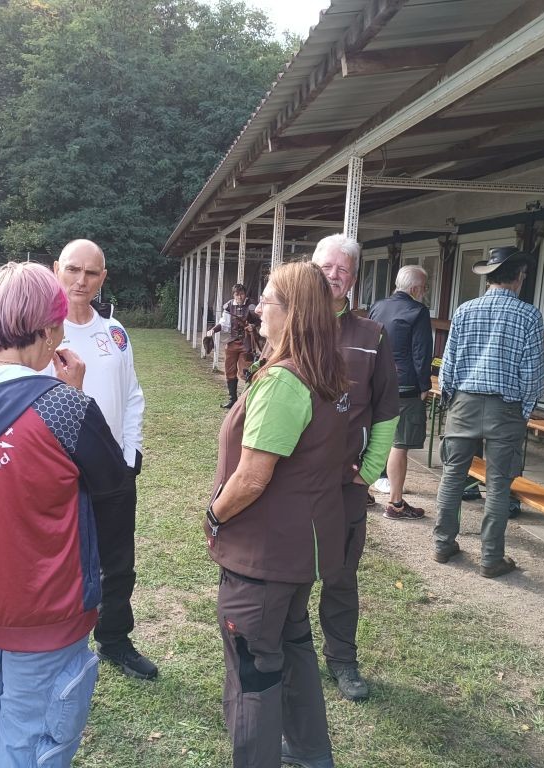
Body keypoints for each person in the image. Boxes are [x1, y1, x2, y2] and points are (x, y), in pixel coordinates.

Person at [0, 262, 128, 767]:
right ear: (50, 330)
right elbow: (113, 486)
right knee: (31, 743)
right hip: (44, 608)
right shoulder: (64, 408)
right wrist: (75, 396)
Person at [204, 260, 349, 768]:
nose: (257, 308)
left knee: (253, 666)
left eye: (266, 299)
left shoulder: (285, 382)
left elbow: (252, 477)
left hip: (263, 556)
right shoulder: (323, 371)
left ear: (292, 312)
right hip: (296, 551)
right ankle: (310, 751)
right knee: (293, 644)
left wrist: (214, 515)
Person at [52, 239, 158, 680]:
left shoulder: (114, 333)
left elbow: (132, 394)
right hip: (60, 473)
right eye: (72, 269)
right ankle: (61, 649)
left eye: (91, 272)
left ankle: (114, 639)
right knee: (64, 566)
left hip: (114, 469)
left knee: (118, 564)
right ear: (56, 269)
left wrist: (130, 452)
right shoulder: (42, 332)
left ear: (103, 278)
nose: (81, 280)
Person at [311, 233, 399, 702]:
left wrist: (369, 471)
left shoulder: (371, 335)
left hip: (345, 481)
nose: (334, 275)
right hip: (292, 479)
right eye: (327, 266)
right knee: (288, 570)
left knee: (341, 574)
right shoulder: (292, 324)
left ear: (354, 278)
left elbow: (386, 409)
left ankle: (342, 659)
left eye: (343, 269)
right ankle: (289, 652)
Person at [433, 246, 544, 578]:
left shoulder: (464, 310)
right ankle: (491, 558)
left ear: (489, 277)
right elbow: (532, 374)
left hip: (463, 402)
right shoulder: (529, 315)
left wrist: (451, 400)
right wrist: (524, 410)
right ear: (519, 277)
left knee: (452, 476)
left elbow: (448, 364)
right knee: (498, 484)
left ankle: (442, 544)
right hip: (505, 408)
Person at [368, 265, 433, 520]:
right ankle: (395, 504)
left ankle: (362, 492)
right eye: (424, 287)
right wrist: (424, 386)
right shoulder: (418, 311)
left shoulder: (378, 306)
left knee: (374, 436)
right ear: (416, 288)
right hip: (404, 385)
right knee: (399, 443)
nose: (424, 292)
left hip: (376, 379)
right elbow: (421, 353)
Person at [205, 283, 260, 409]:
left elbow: (260, 320)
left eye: (242, 294)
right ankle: (232, 400)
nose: (239, 297)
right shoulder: (229, 306)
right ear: (233, 295)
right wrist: (213, 330)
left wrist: (253, 326)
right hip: (232, 342)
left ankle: (248, 401)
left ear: (245, 294)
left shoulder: (252, 305)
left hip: (246, 342)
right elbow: (223, 323)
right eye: (237, 294)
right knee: (229, 370)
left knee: (246, 371)